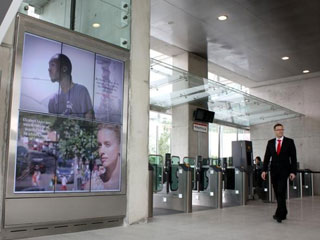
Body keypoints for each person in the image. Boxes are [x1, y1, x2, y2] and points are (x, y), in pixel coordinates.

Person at [261, 123, 297, 223]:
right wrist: (264, 170)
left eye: (282, 129)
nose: (280, 131)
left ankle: (279, 215)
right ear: (275, 131)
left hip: (284, 171)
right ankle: (284, 211)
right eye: (278, 129)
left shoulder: (289, 142)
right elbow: (267, 157)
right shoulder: (270, 142)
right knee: (277, 192)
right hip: (274, 171)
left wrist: (293, 172)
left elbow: (293, 158)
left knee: (281, 191)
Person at [48, 53, 94, 119]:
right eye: (49, 66)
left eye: (52, 65)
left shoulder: (81, 91)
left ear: (64, 69)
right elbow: (51, 126)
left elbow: (90, 121)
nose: (49, 69)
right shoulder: (52, 100)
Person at [87, 124, 121, 191]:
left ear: (120, 147)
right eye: (99, 145)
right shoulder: (91, 185)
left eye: (107, 144)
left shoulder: (130, 183)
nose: (101, 151)